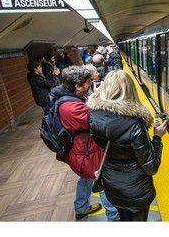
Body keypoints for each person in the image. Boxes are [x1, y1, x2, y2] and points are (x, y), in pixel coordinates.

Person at [87, 70, 168, 221]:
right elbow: (151, 167)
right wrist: (157, 137)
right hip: (136, 189)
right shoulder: (135, 123)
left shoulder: (92, 115)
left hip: (112, 181)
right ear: (130, 89)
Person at [51, 66, 119, 221]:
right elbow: (98, 120)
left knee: (86, 179)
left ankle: (81, 208)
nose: (91, 83)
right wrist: (101, 96)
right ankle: (114, 217)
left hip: (83, 150)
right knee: (102, 181)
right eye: (88, 82)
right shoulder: (71, 107)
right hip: (86, 153)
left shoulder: (68, 96)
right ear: (77, 86)